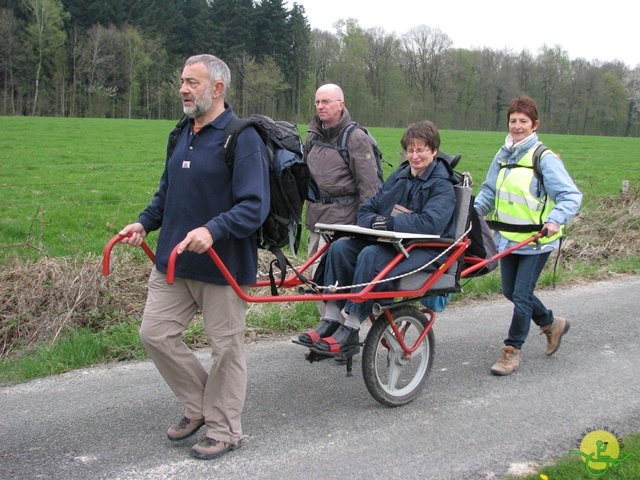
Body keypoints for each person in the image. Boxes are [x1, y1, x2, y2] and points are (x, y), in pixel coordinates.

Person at [118, 54, 270, 459]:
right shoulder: (181, 132)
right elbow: (167, 193)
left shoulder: (242, 137)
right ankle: (201, 406)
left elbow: (255, 206)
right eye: (182, 81)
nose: (183, 89)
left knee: (226, 350)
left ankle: (225, 429)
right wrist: (144, 223)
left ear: (217, 89)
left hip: (223, 266)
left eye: (192, 82)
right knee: (154, 334)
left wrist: (212, 229)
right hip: (174, 261)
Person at [298, 120, 457, 352]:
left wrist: (389, 222)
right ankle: (331, 319)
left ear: (433, 150)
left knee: (371, 254)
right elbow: (366, 210)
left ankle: (352, 326)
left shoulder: (442, 185)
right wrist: (378, 222)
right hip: (393, 243)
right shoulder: (400, 176)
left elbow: (430, 224)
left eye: (420, 149)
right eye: (410, 150)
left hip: (424, 248)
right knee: (339, 249)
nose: (414, 156)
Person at [474, 95, 582, 376]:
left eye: (523, 121)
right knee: (510, 291)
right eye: (513, 120)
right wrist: (470, 214)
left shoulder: (543, 158)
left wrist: (556, 220)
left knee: (521, 294)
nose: (517, 126)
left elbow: (570, 195)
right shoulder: (503, 155)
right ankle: (551, 324)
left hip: (537, 241)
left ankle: (512, 352)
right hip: (508, 239)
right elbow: (488, 191)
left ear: (535, 125)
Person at [304, 83, 380, 319]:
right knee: (315, 279)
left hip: (344, 223)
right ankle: (328, 326)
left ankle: (342, 330)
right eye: (317, 101)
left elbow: (369, 185)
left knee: (335, 280)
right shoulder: (313, 134)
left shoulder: (355, 137)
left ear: (341, 104)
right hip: (317, 221)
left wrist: (365, 227)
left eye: (326, 101)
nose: (320, 106)